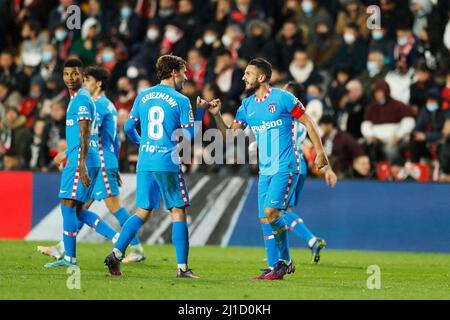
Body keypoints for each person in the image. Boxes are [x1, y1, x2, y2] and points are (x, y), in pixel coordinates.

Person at [203, 58, 329, 280]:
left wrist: (320, 152)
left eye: (248, 74)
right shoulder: (247, 106)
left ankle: (285, 262)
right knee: (264, 218)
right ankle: (275, 267)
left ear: (261, 78)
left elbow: (308, 122)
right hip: (265, 169)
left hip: (286, 165)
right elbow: (231, 136)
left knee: (273, 213)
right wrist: (216, 116)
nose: (243, 77)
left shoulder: (283, 98)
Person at [103, 55, 205, 278]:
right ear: (174, 72)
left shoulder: (143, 95)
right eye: (184, 72)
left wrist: (144, 143)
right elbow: (190, 136)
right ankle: (182, 268)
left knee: (142, 211)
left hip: (145, 161)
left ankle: (117, 252)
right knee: (178, 210)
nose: (186, 76)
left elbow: (129, 128)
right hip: (167, 162)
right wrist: (201, 113)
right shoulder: (181, 100)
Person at [38, 67, 146, 263]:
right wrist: (116, 163)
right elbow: (115, 138)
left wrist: (68, 153)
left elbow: (88, 135)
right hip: (106, 160)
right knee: (79, 208)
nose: (85, 84)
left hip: (98, 160)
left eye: (88, 80)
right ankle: (64, 247)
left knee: (105, 207)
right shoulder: (109, 105)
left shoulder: (97, 105)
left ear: (99, 83)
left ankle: (131, 245)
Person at [44, 58, 119, 268]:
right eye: (67, 74)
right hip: (81, 158)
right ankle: (117, 239)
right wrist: (67, 152)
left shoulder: (82, 100)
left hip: (83, 161)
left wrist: (81, 163)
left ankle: (70, 258)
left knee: (68, 207)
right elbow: (80, 136)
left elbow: (86, 134)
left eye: (75, 74)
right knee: (75, 210)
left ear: (81, 76)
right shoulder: (77, 98)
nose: (70, 78)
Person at [281, 82, 336, 264]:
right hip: (301, 167)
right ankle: (283, 254)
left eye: (284, 92)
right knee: (285, 211)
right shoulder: (303, 120)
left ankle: (311, 240)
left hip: (287, 166)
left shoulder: (284, 118)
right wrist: (327, 169)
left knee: (277, 212)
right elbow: (311, 147)